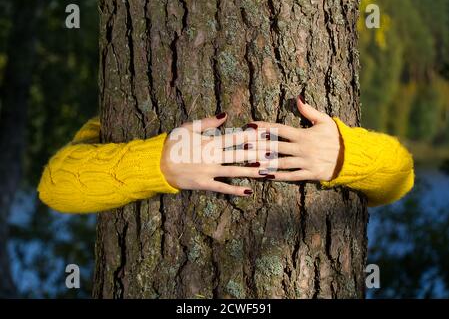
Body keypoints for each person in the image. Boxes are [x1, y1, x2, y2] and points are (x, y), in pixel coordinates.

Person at [38, 97, 414, 213]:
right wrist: (161, 164)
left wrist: (346, 155)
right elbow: (55, 187)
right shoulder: (115, 110)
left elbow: (400, 177)